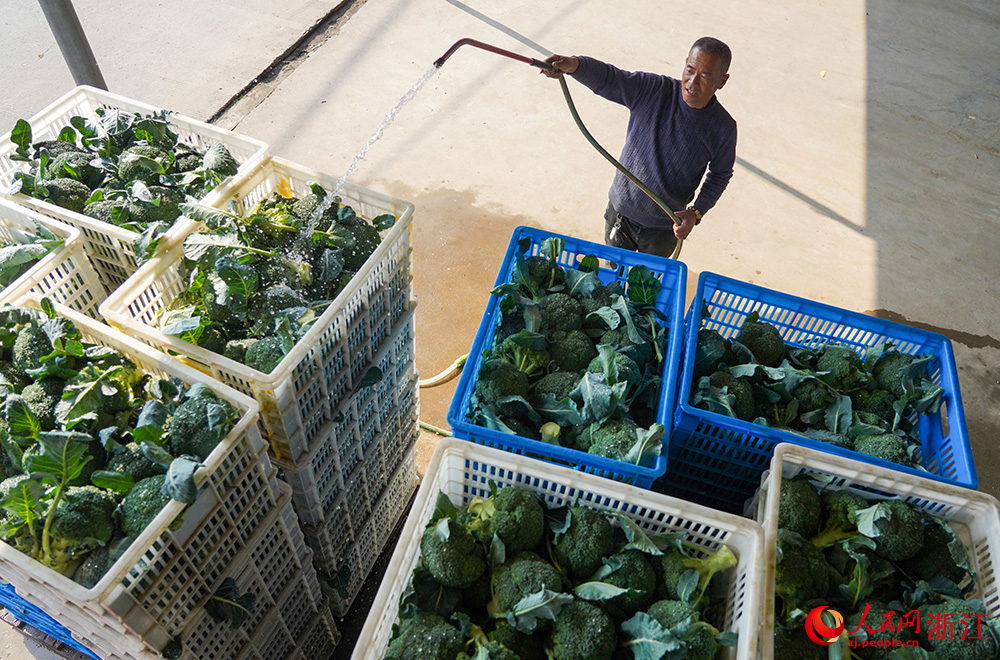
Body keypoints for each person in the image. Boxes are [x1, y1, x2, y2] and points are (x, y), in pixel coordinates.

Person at [543, 37, 736, 258]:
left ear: (722, 81)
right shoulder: (654, 90)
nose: (692, 82)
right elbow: (611, 79)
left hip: (663, 230)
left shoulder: (723, 128)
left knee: (644, 290)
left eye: (705, 76)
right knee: (611, 284)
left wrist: (696, 212)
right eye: (690, 70)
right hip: (620, 215)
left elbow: (720, 175)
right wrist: (574, 65)